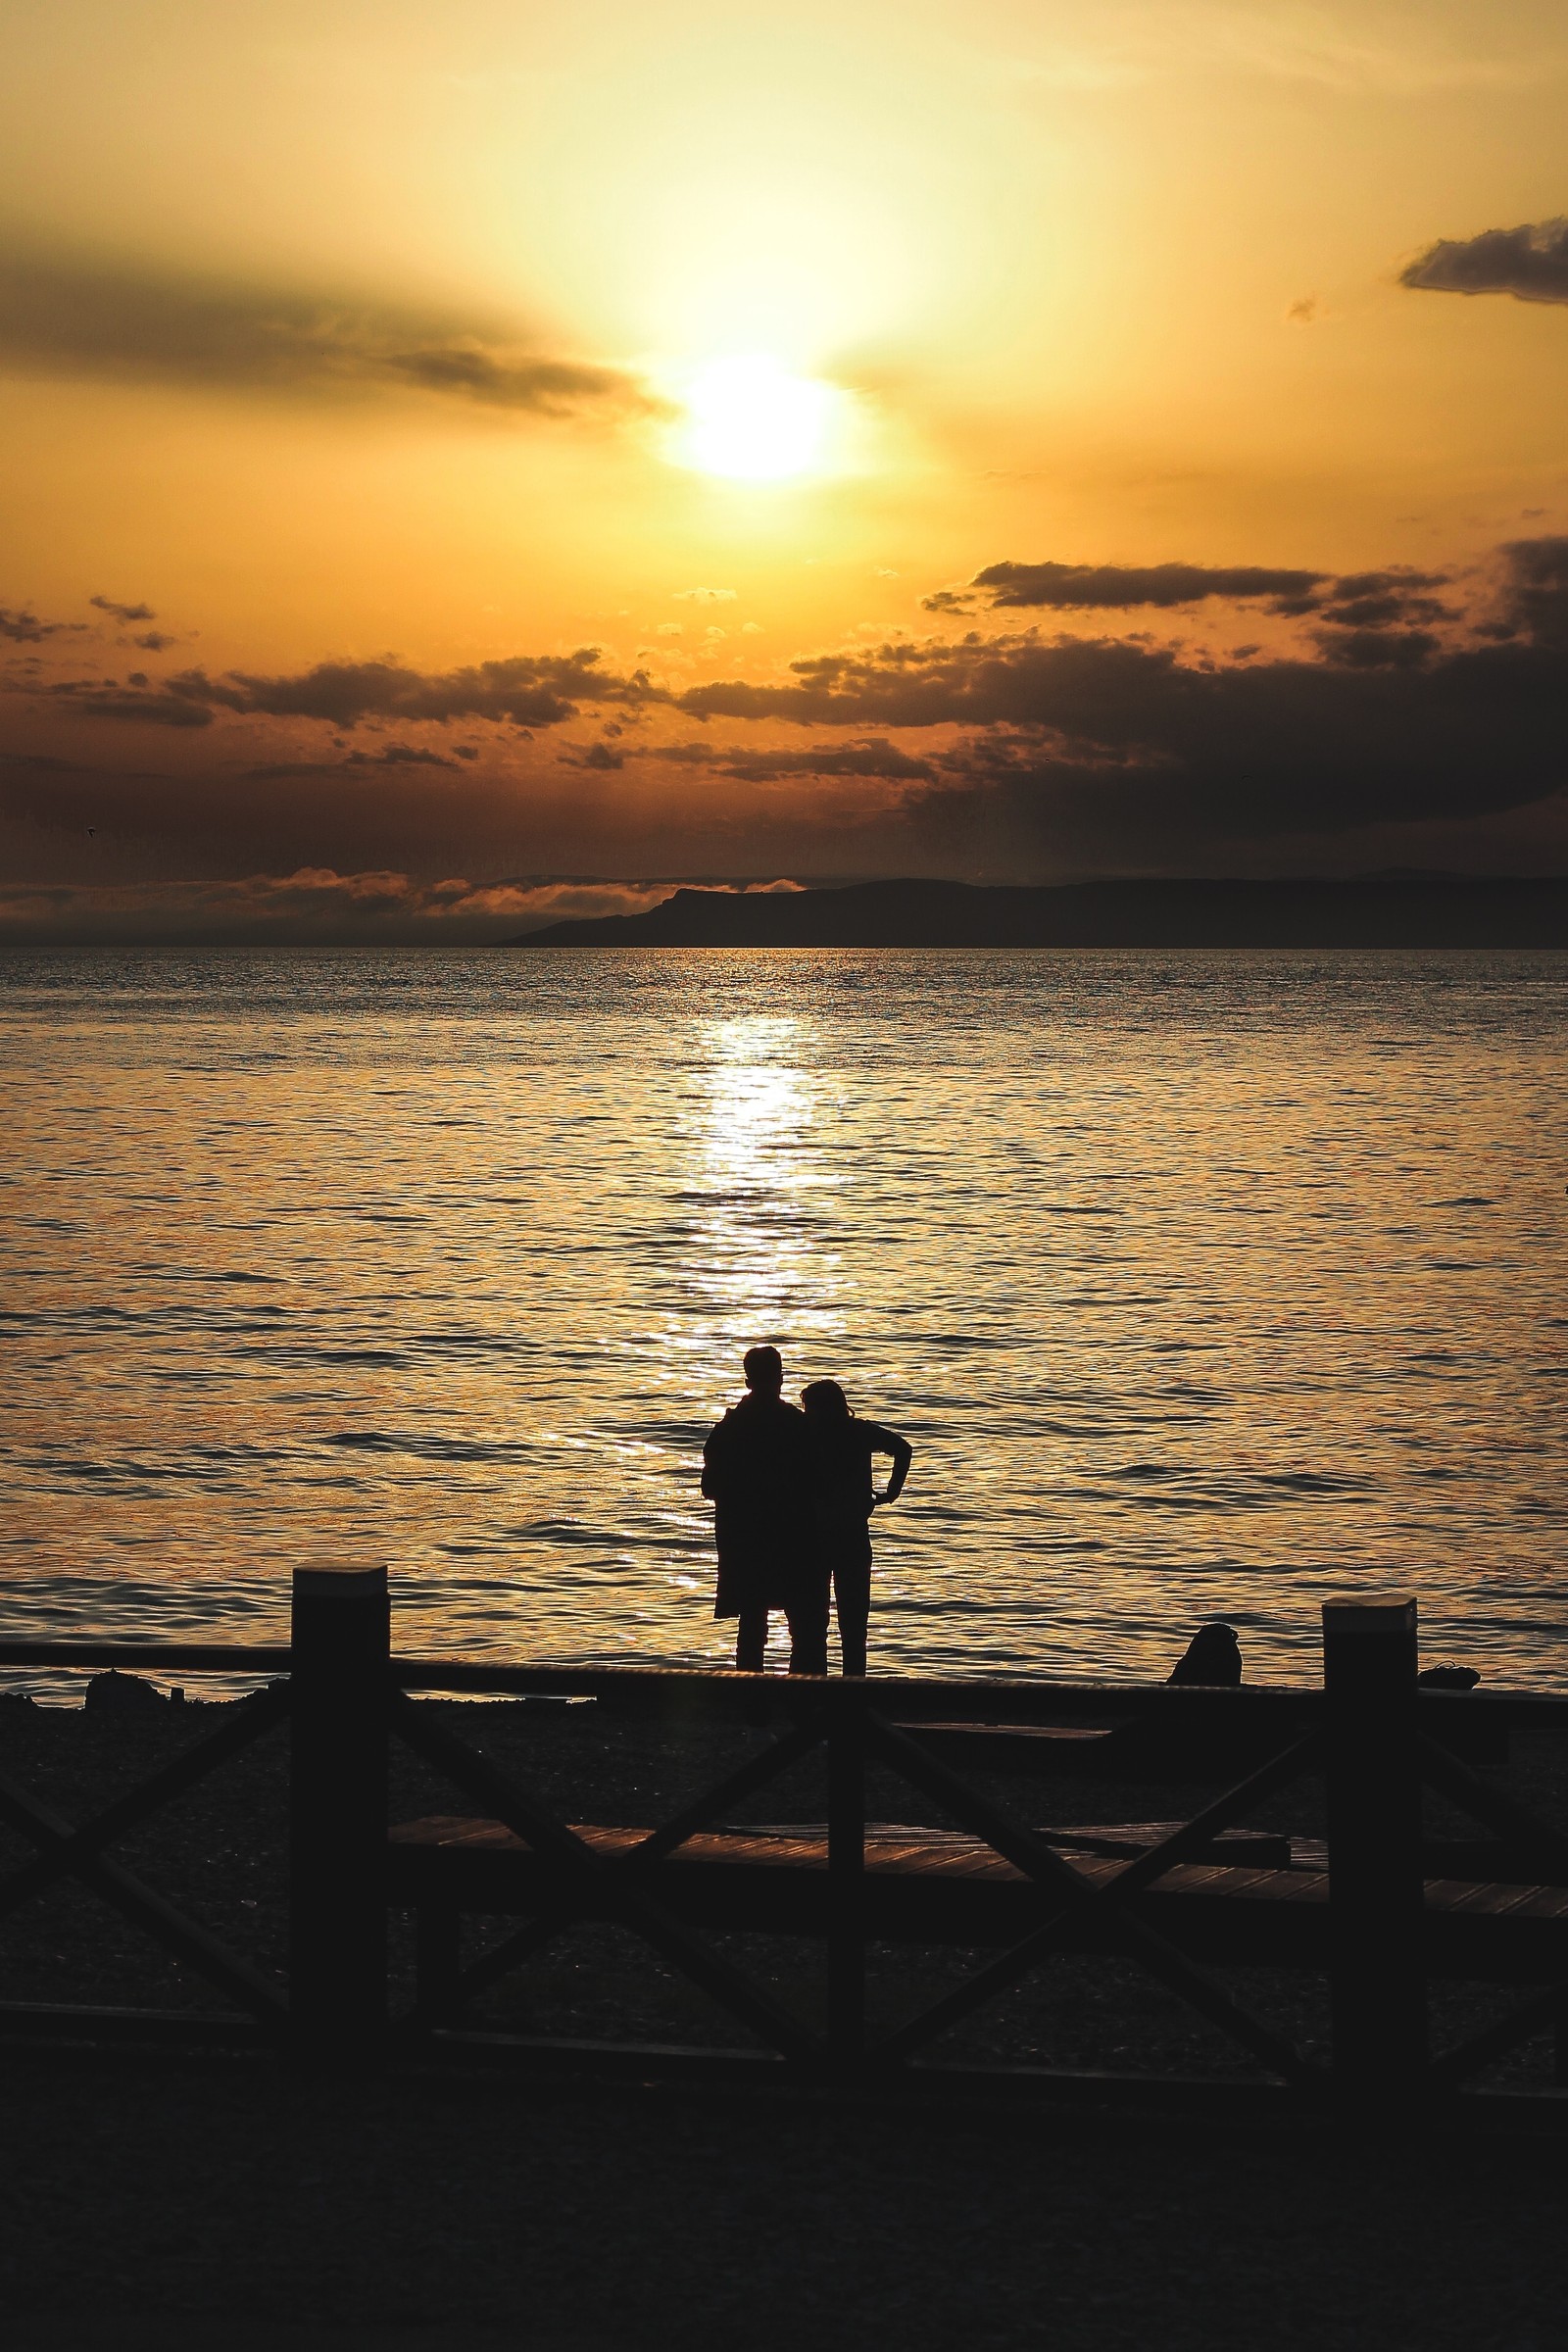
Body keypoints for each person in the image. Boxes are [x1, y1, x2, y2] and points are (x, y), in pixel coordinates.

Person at [702, 1346, 825, 1673]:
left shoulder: (728, 1429)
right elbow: (817, 1480)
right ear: (780, 1378)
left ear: (747, 1381)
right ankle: (801, 1700)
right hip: (792, 1534)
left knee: (752, 1623)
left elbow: (709, 1487)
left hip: (745, 1536)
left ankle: (751, 1698)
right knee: (803, 1626)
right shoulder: (797, 1425)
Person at [800, 1380, 911, 1678]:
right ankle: (854, 1693)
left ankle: (817, 1692)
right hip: (852, 1534)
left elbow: (904, 1449)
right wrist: (891, 1491)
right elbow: (903, 1449)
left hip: (817, 1536)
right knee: (853, 1627)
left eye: (809, 1407)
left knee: (815, 1626)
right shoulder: (859, 1431)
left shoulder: (807, 1433)